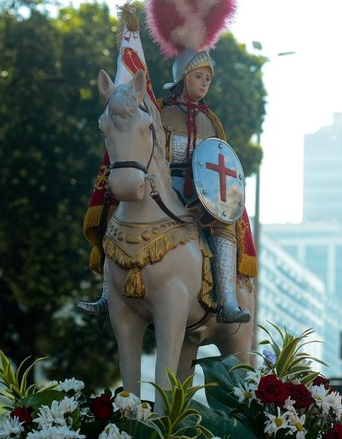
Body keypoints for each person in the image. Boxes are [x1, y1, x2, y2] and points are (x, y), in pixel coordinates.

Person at [78, 47, 256, 324]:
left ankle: (227, 301)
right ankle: (106, 293)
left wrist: (217, 200)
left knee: (225, 225)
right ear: (183, 78)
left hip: (201, 192)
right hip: (160, 182)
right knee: (116, 211)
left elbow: (222, 162)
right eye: (198, 76)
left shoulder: (211, 120)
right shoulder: (158, 110)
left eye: (208, 79)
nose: (204, 83)